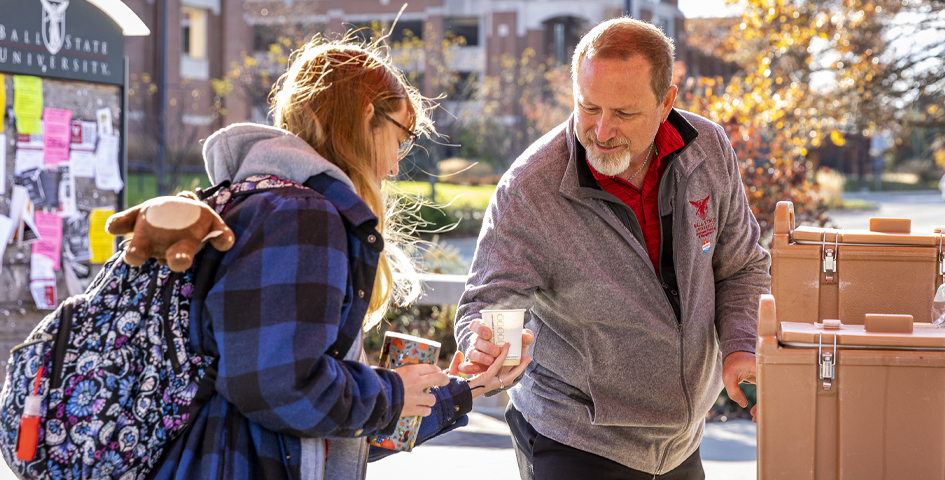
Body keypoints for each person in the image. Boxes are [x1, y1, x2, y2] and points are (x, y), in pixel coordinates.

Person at [147, 36, 530, 480]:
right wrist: (392, 393)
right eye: (401, 137)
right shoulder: (301, 215)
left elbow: (329, 428)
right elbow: (280, 386)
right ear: (367, 115)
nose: (394, 166)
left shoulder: (256, 200)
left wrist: (459, 391)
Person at [455, 18, 771, 480]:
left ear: (666, 102)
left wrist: (741, 344)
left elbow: (740, 267)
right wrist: (484, 346)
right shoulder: (530, 187)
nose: (602, 131)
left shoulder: (709, 149)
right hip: (573, 438)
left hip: (681, 442)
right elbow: (488, 302)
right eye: (589, 107)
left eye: (623, 113)